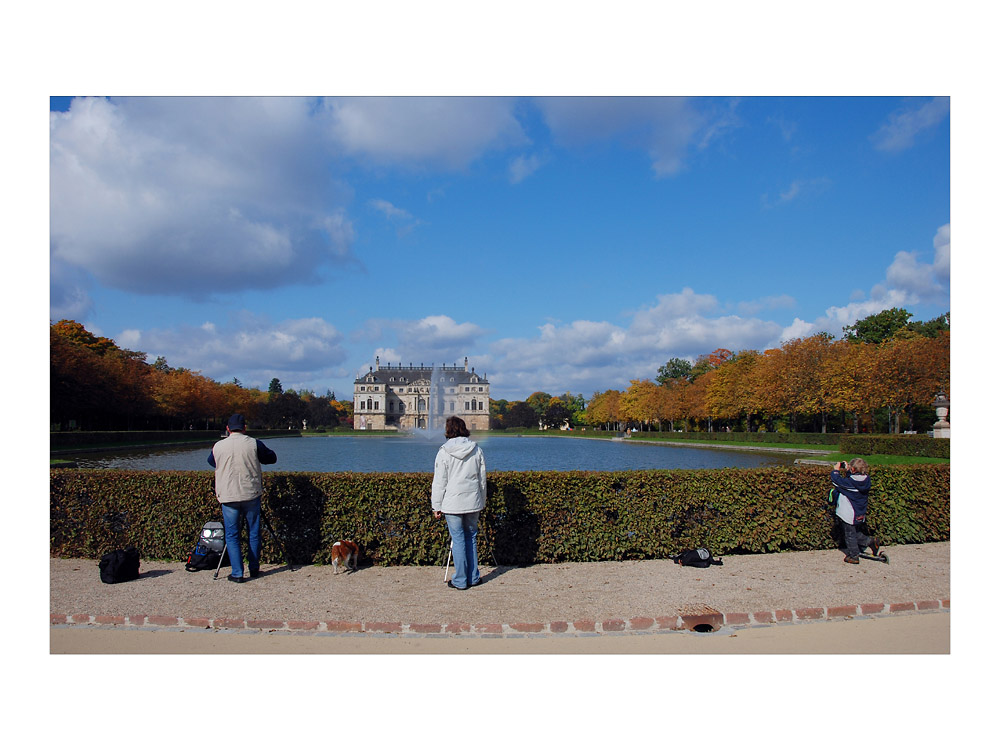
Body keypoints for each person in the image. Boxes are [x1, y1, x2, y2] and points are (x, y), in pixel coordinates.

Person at [207, 414, 277, 582]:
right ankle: (254, 568)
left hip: (228, 495)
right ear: (245, 428)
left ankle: (237, 573)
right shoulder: (254, 443)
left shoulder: (218, 446)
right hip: (250, 493)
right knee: (253, 532)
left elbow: (212, 462)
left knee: (232, 535)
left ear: (228, 429)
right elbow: (272, 458)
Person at [431, 416, 487, 590]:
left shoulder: (444, 451)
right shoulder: (476, 449)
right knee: (471, 537)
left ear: (448, 430)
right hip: (472, 501)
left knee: (458, 539)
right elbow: (482, 479)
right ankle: (473, 577)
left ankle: (460, 580)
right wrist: (482, 500)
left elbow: (439, 482)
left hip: (452, 503)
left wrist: (436, 505)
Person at [830, 458, 878, 564]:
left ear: (853, 469)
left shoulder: (850, 483)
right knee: (854, 532)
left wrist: (836, 470)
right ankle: (870, 542)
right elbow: (852, 481)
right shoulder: (866, 480)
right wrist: (848, 471)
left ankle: (854, 556)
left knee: (850, 535)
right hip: (859, 511)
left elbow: (836, 481)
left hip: (849, 513)